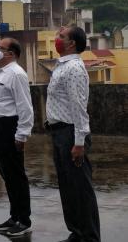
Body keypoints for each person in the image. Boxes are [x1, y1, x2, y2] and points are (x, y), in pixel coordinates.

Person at [46, 25, 100, 242]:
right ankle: (77, 233)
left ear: (72, 44)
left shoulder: (74, 68)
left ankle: (89, 236)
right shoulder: (62, 66)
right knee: (68, 188)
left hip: (71, 133)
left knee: (80, 189)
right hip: (60, 133)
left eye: (61, 36)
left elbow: (79, 107)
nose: (56, 39)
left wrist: (79, 143)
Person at [0, 38, 34, 236]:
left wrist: (22, 134)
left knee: (16, 176)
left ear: (11, 53)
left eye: (0, 48)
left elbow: (25, 107)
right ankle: (14, 216)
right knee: (7, 176)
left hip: (8, 127)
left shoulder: (16, 74)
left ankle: (24, 220)